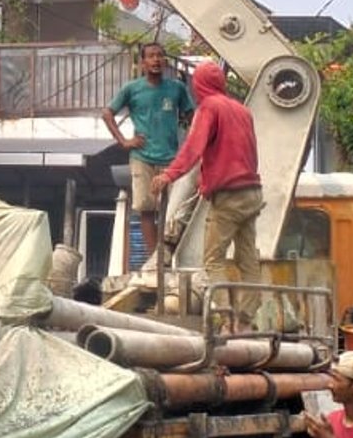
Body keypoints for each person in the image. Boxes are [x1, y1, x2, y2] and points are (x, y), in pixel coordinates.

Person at [150, 59, 263, 296]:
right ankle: (246, 318)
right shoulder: (243, 111)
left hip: (228, 195)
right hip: (252, 191)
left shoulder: (209, 107)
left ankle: (223, 317)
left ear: (199, 85)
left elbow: (194, 147)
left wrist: (169, 175)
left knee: (213, 261)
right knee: (248, 258)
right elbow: (251, 151)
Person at [105, 44, 193, 266]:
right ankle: (155, 261)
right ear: (143, 62)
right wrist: (124, 141)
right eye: (151, 56)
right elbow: (107, 113)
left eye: (160, 56)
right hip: (142, 157)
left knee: (175, 210)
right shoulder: (132, 88)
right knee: (146, 208)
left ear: (165, 61)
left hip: (172, 159)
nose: (156, 60)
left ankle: (171, 257)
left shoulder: (177, 88)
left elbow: (193, 116)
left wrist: (191, 145)